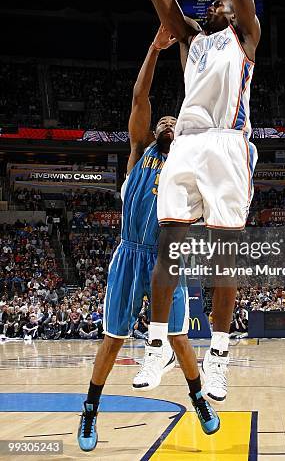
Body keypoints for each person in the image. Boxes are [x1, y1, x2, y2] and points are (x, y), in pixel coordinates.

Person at [77, 26, 219, 453]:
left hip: (165, 258)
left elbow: (194, 107)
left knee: (179, 338)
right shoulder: (140, 152)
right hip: (128, 255)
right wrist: (155, 50)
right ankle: (89, 410)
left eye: (174, 120)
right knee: (113, 338)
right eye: (164, 120)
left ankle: (199, 402)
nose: (168, 121)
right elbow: (141, 99)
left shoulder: (184, 157)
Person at [145, 0, 260, 404]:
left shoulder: (246, 36)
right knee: (168, 245)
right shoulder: (190, 40)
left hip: (227, 144)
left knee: (223, 257)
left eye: (226, 5)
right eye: (213, 4)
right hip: (187, 144)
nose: (220, 6)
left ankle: (218, 355)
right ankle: (158, 342)